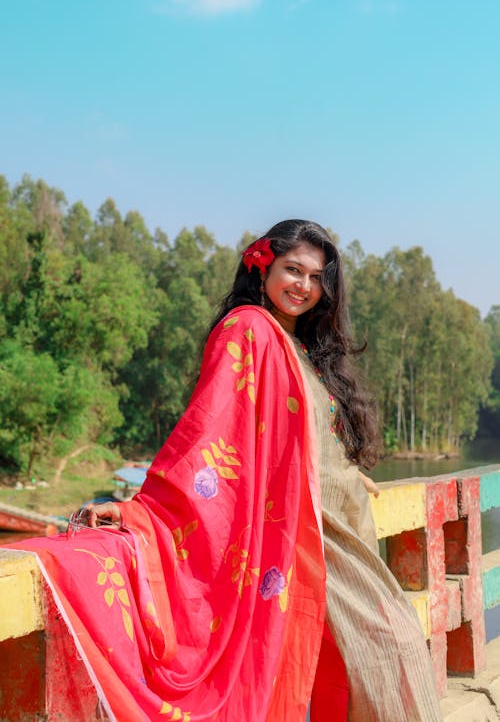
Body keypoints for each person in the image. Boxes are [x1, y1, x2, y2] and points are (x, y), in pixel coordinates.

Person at [6, 219, 442, 722]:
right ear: (262, 269)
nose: (302, 285)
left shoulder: (303, 346)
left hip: (342, 522)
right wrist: (144, 514)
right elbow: (211, 432)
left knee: (358, 660)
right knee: (391, 647)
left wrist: (348, 471)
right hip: (300, 531)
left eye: (315, 277)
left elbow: (307, 433)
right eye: (292, 270)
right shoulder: (249, 330)